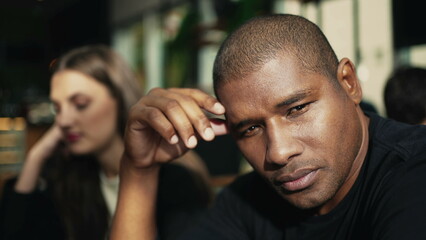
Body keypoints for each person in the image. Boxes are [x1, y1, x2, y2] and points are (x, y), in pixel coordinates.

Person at [110, 14, 426, 240]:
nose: (278, 152)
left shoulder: (414, 171)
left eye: (297, 109)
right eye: (250, 129)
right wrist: (139, 171)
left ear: (348, 83)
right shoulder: (247, 203)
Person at [0, 45, 211, 240]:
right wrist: (36, 156)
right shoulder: (71, 180)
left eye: (80, 104)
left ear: (119, 100)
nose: (63, 121)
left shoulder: (176, 179)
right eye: (58, 108)